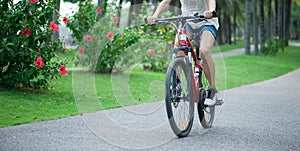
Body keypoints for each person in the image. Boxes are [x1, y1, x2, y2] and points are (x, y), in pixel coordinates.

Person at [147, 0, 219, 106]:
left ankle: (212, 89)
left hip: (206, 21)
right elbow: (165, 2)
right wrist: (154, 16)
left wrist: (211, 11)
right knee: (179, 47)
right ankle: (177, 83)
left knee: (204, 51)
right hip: (187, 22)